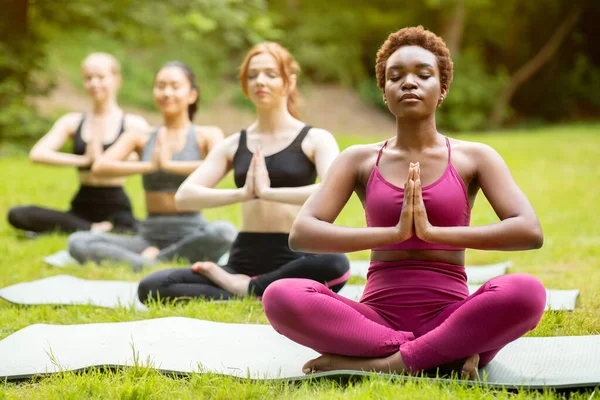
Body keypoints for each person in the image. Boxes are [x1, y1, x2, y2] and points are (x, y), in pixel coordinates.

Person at [261, 26, 546, 379]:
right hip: (376, 321)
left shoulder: (475, 157)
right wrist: (393, 234)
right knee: (280, 295)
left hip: (453, 316)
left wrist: (431, 232)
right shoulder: (359, 159)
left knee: (526, 292)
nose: (408, 83)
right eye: (395, 77)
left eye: (423, 75)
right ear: (384, 92)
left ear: (442, 89)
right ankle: (442, 353)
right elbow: (302, 233)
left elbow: (529, 230)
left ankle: (388, 364)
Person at [137, 42, 350, 303]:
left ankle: (249, 289)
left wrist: (268, 193)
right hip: (244, 258)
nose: (260, 81)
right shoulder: (233, 144)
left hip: (298, 255)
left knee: (335, 262)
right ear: (245, 85)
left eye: (270, 74)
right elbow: (185, 196)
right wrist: (243, 193)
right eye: (252, 75)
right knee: (152, 285)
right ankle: (255, 291)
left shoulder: (315, 139)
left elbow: (334, 190)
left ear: (289, 81)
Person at [67, 61, 237, 271]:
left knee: (225, 232)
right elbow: (100, 167)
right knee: (79, 242)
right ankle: (158, 262)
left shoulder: (207, 135)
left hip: (193, 231)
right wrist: (148, 166)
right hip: (148, 234)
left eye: (175, 86)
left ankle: (155, 261)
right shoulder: (141, 136)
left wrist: (168, 165)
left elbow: (222, 168)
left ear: (192, 95)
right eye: (160, 86)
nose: (166, 92)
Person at [7, 53, 146, 235]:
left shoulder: (133, 124)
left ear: (116, 80)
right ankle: (91, 228)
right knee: (17, 214)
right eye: (89, 78)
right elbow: (38, 154)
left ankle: (97, 229)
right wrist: (84, 161)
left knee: (138, 227)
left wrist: (107, 163)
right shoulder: (72, 121)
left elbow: (150, 162)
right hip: (82, 204)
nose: (94, 84)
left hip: (116, 204)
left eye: (101, 77)